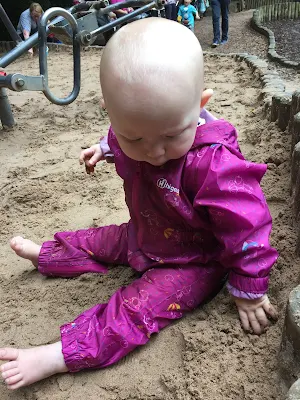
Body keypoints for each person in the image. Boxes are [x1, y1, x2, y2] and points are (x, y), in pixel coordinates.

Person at [0, 18, 278, 390]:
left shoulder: (213, 164)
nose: (154, 152)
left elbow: (249, 226)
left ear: (200, 105)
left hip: (195, 261)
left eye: (171, 135)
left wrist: (249, 289)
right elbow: (126, 132)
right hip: (147, 233)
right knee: (95, 239)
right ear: (111, 113)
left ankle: (59, 355)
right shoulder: (137, 127)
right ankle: (49, 256)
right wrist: (106, 147)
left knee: (138, 307)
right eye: (134, 138)